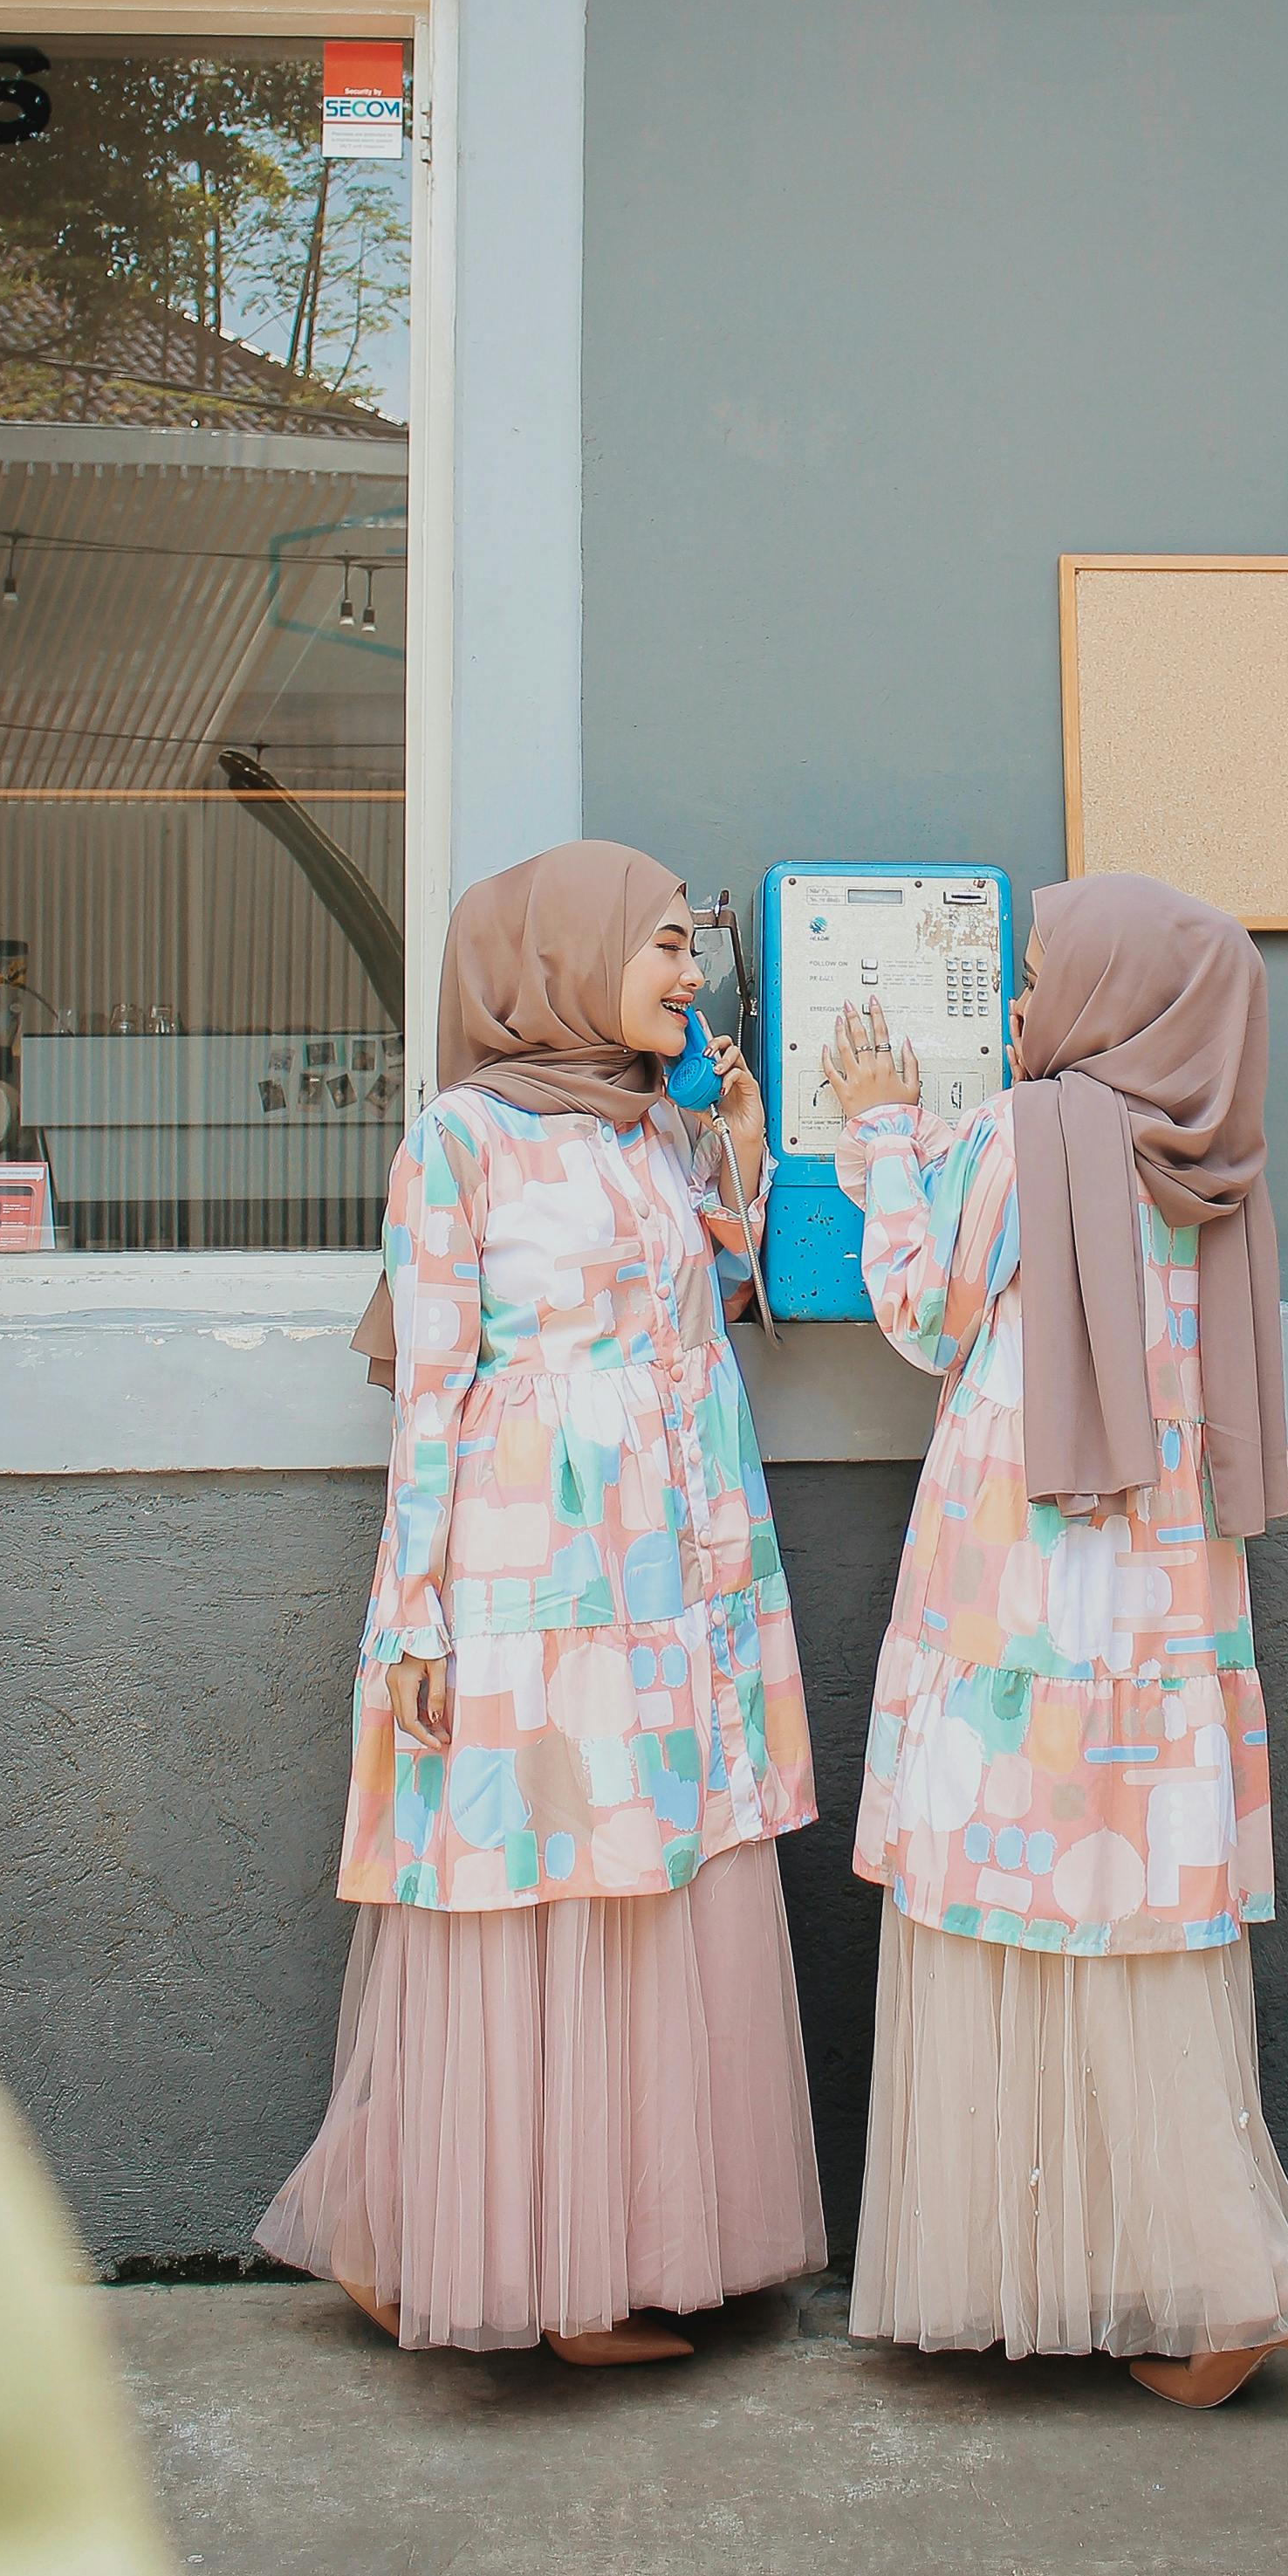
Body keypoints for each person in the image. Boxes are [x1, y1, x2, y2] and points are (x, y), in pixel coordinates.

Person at [258, 843, 824, 2366]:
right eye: (661, 945)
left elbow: (720, 1299)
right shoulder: (464, 1141)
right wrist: (415, 1622)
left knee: (641, 1885)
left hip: (670, 1569)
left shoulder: (655, 1130)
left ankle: (594, 2258)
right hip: (536, 1576)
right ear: (569, 956)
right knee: (538, 1884)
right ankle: (500, 2265)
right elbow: (432, 1392)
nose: (692, 974)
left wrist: (734, 1147)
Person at [822, 872, 1288, 2408]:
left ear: (1112, 994)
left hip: (1022, 1577)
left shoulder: (1021, 1134)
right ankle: (1208, 2273)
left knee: (1006, 1901)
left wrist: (878, 1131)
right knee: (1137, 1913)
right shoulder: (1210, 1163)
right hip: (1163, 1588)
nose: (1022, 1008)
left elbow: (921, 1309)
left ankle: (1187, 2295)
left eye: (1038, 978)